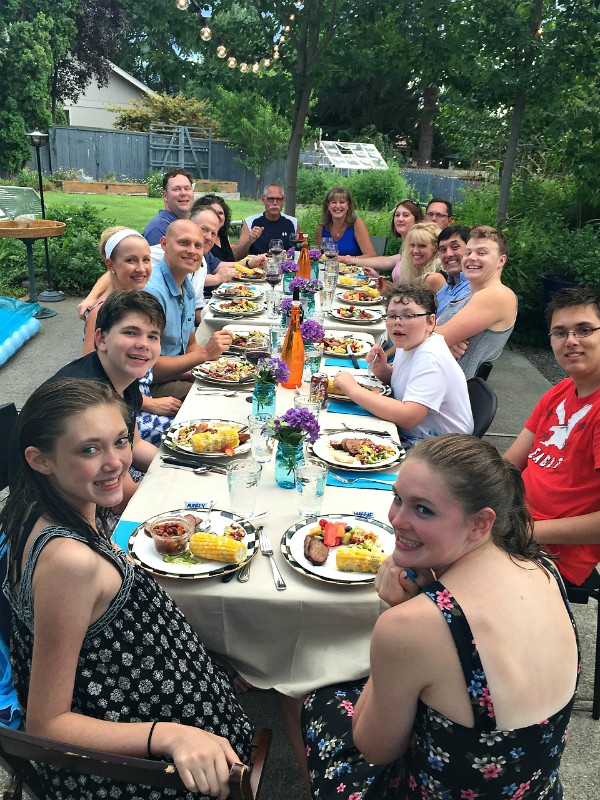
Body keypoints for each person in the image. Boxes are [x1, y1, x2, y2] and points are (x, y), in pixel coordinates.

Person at [1, 380, 253, 799]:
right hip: (141, 758)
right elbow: (47, 723)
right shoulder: (69, 561)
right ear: (40, 460)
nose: (116, 462)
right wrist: (169, 736)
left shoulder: (35, 505)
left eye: (120, 441)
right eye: (88, 449)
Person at [302, 434, 579, 800]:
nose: (397, 520)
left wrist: (399, 611)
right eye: (398, 498)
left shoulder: (413, 625)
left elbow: (373, 748)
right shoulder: (543, 568)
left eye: (423, 509)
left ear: (481, 523)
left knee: (314, 695)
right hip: (539, 791)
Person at [504, 286, 600, 588]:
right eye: (560, 332)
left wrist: (528, 531)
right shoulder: (561, 390)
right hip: (514, 522)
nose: (571, 341)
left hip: (551, 554)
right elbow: (510, 463)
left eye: (584, 330)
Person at [48, 290, 164, 509]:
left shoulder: (124, 377)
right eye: (131, 333)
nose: (143, 344)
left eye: (152, 336)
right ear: (100, 339)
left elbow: (135, 444)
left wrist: (175, 471)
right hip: (63, 510)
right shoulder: (88, 398)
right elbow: (121, 498)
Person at [332, 285, 473, 448]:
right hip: (418, 439)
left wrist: (353, 389)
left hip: (442, 451)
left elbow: (409, 417)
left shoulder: (430, 357)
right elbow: (407, 383)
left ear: (431, 322)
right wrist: (382, 369)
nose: (397, 322)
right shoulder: (410, 343)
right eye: (392, 316)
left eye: (408, 315)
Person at [80, 229, 182, 446]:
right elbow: (90, 380)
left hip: (137, 406)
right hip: (123, 416)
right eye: (131, 260)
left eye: (146, 260)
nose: (141, 268)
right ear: (111, 266)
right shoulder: (101, 313)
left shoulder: (135, 302)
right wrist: (149, 404)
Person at [144, 219, 232, 400]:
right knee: (219, 397)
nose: (192, 251)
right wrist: (205, 354)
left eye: (197, 246)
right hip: (148, 387)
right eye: (184, 243)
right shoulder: (151, 294)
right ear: (164, 244)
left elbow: (191, 344)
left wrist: (206, 368)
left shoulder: (187, 287)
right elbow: (146, 368)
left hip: (177, 374)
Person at [436, 225, 518, 379]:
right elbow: (432, 335)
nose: (471, 257)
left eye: (481, 253)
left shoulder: (497, 295)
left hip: (448, 395)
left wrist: (440, 341)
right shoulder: (468, 297)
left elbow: (431, 338)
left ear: (501, 260)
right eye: (468, 252)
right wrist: (443, 345)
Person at [343, 199, 424, 273]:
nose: (400, 219)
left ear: (417, 220)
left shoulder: (418, 250)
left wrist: (350, 260)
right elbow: (386, 261)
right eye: (397, 215)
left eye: (406, 215)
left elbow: (411, 286)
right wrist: (349, 260)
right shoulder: (405, 248)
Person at [190, 194, 262, 262]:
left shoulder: (222, 235)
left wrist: (249, 241)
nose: (217, 216)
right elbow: (216, 267)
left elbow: (233, 259)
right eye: (213, 212)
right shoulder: (203, 240)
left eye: (221, 213)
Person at [237, 182, 297, 256]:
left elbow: (300, 252)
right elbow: (237, 255)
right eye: (271, 199)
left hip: (285, 266)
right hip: (257, 266)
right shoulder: (250, 222)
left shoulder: (293, 223)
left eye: (278, 199)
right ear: (263, 200)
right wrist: (249, 241)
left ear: (283, 201)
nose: (275, 203)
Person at [315, 187, 376, 258]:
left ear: (348, 205)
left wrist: (349, 260)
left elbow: (371, 256)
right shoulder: (322, 227)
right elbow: (316, 255)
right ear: (328, 205)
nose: (338, 206)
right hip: (329, 268)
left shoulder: (357, 223)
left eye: (342, 202)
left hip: (353, 268)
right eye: (334, 202)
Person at [142, 169, 195, 246]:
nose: (183, 193)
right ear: (165, 195)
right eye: (176, 189)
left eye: (187, 188)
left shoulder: (191, 225)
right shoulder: (159, 229)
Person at [435, 224, 471, 317]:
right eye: (443, 250)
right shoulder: (443, 291)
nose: (449, 254)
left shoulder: (474, 290)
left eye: (455, 247)